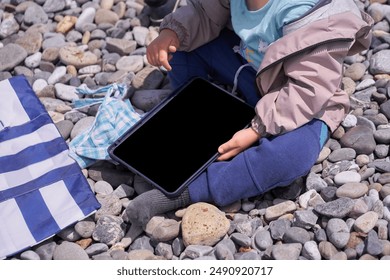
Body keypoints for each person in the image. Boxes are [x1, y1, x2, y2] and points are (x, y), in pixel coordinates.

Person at [124, 0, 373, 228]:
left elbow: (308, 89)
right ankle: (192, 114)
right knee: (179, 49)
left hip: (303, 101)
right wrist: (172, 33)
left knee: (291, 156)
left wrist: (257, 129)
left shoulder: (309, 12)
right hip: (252, 69)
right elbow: (203, 13)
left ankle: (189, 191)